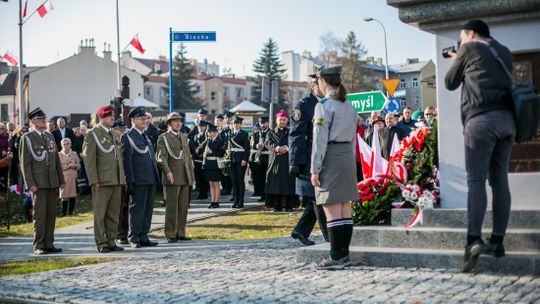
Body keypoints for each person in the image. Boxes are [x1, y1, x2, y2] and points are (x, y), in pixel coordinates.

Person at [445, 19, 516, 273]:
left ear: (471, 34)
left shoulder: (469, 48)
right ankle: (497, 241)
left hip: (481, 122)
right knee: (500, 182)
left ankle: (473, 239)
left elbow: (450, 82)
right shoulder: (504, 51)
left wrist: (458, 56)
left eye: (461, 36)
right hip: (507, 122)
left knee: (476, 181)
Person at [310, 65, 358, 270]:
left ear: (323, 81)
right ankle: (344, 255)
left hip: (331, 157)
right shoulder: (349, 105)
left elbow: (320, 139)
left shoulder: (323, 105)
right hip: (347, 156)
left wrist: (315, 168)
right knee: (344, 209)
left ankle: (335, 257)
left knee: (331, 209)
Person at [289, 72, 329, 246]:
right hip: (307, 159)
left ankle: (300, 231)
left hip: (324, 157)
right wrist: (294, 161)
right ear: (314, 86)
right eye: (321, 84)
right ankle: (331, 238)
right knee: (318, 199)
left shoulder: (327, 104)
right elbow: (296, 135)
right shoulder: (304, 106)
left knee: (316, 198)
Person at [20, 107, 65, 255]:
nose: (44, 121)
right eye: (40, 119)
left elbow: (56, 160)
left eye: (44, 118)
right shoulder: (27, 137)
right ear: (33, 121)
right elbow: (25, 164)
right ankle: (39, 245)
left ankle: (49, 243)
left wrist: (61, 179)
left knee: (51, 214)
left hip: (52, 181)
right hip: (38, 183)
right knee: (39, 216)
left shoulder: (49, 136)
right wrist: (30, 183)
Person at [82, 105, 126, 253]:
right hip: (102, 180)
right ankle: (101, 243)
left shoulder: (115, 134)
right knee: (100, 214)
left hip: (116, 179)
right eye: (109, 116)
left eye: (113, 116)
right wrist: (93, 180)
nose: (113, 118)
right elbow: (89, 159)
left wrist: (122, 178)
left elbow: (118, 158)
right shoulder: (93, 134)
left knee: (113, 214)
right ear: (102, 117)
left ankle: (111, 241)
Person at [122, 106, 160, 248]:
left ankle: (144, 235)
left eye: (146, 118)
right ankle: (134, 237)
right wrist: (130, 181)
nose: (145, 121)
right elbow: (127, 161)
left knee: (148, 209)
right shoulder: (128, 136)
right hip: (138, 180)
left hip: (150, 178)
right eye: (142, 118)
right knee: (137, 210)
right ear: (133, 120)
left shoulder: (146, 136)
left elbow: (151, 159)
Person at [156, 112, 195, 243]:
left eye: (180, 121)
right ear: (169, 123)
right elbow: (161, 157)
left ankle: (180, 232)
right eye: (175, 121)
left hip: (184, 175)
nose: (178, 123)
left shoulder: (184, 137)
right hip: (172, 176)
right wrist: (167, 172)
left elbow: (188, 158)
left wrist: (192, 176)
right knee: (172, 207)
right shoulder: (163, 137)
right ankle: (170, 233)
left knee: (183, 207)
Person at [264, 110, 299, 212]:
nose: (282, 121)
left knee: (288, 184)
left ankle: (289, 205)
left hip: (288, 162)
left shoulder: (291, 131)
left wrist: (287, 148)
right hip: (275, 162)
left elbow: (294, 142)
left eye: (284, 120)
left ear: (287, 120)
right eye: (280, 120)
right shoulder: (270, 132)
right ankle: (276, 205)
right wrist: (278, 148)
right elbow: (268, 143)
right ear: (276, 120)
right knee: (275, 184)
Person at [113, 120, 130, 245]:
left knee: (126, 208)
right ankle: (119, 234)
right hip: (116, 179)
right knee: (118, 208)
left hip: (126, 179)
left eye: (124, 129)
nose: (123, 132)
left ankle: (125, 232)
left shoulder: (126, 141)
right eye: (121, 130)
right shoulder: (113, 143)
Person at [228, 117, 249, 208]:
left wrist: (245, 159)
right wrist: (227, 151)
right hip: (232, 159)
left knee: (240, 181)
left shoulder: (244, 134)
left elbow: (247, 148)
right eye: (234, 123)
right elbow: (227, 146)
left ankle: (241, 201)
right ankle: (235, 200)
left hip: (241, 159)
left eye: (237, 123)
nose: (235, 125)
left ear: (240, 124)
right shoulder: (230, 134)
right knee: (234, 181)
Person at [203, 124, 226, 208]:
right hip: (209, 164)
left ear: (215, 133)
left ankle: (217, 201)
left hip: (216, 164)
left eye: (210, 132)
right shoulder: (208, 141)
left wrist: (211, 151)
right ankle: (212, 201)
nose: (208, 133)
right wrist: (205, 154)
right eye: (208, 132)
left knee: (216, 183)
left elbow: (221, 153)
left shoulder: (220, 141)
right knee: (210, 183)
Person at [59, 138, 80, 217]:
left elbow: (79, 165)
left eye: (67, 143)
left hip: (73, 177)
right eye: (64, 144)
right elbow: (58, 167)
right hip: (64, 178)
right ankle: (63, 214)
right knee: (64, 196)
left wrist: (75, 165)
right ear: (61, 145)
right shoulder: (59, 154)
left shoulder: (74, 154)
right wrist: (68, 166)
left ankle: (71, 213)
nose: (66, 145)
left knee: (72, 195)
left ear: (70, 145)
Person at [190, 120, 209, 199]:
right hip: (197, 159)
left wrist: (199, 150)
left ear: (205, 127)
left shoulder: (206, 136)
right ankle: (201, 193)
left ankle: (205, 193)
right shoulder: (195, 136)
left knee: (205, 178)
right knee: (198, 177)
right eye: (199, 127)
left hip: (204, 159)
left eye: (202, 126)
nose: (200, 128)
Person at [255, 116, 270, 202]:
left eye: (264, 123)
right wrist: (257, 146)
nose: (263, 125)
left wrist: (265, 146)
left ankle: (268, 196)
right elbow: (253, 145)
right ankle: (262, 195)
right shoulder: (258, 133)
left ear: (267, 123)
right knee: (260, 178)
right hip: (260, 158)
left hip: (268, 157)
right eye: (261, 123)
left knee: (267, 178)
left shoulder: (271, 132)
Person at [219, 111, 234, 196]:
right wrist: (225, 149)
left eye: (229, 118)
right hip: (225, 154)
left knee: (231, 172)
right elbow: (221, 142)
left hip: (233, 154)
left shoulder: (233, 128)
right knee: (224, 172)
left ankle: (230, 188)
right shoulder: (223, 130)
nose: (228, 119)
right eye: (226, 118)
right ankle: (225, 188)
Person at [248, 122, 261, 197]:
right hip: (252, 157)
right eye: (255, 129)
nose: (256, 130)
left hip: (258, 156)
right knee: (254, 175)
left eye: (257, 129)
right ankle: (256, 190)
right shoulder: (251, 136)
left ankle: (259, 190)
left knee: (259, 175)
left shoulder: (260, 136)